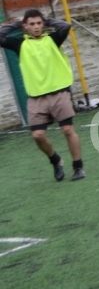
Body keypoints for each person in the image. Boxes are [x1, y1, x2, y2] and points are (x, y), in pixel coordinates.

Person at [0, 10, 85, 181]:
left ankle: (78, 167)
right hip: (36, 96)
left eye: (39, 23)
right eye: (32, 24)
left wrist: (47, 19)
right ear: (25, 26)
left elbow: (65, 26)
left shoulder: (53, 39)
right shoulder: (19, 44)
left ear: (43, 24)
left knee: (68, 129)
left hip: (60, 91)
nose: (36, 27)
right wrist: (16, 24)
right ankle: (55, 160)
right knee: (37, 135)